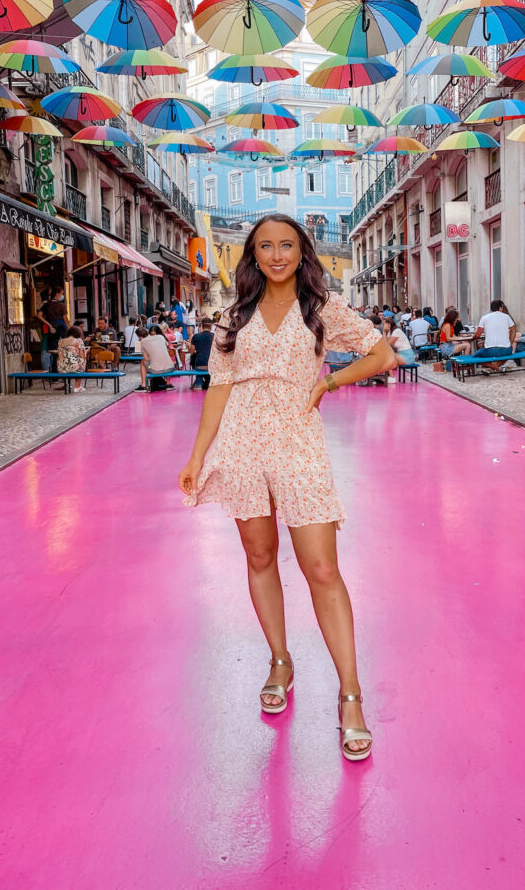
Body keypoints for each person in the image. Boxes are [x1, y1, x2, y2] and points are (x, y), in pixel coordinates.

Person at [179, 213, 396, 762]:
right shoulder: (233, 315)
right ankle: (280, 659)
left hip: (298, 442)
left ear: (303, 252)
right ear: (252, 255)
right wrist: (198, 455)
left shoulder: (321, 310)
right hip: (243, 443)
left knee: (322, 568)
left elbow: (382, 353)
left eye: (287, 245)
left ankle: (351, 695)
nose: (277, 255)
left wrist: (328, 381)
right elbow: (218, 388)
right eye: (266, 246)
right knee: (259, 556)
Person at [473, 299, 516, 373]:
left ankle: (493, 366)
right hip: (506, 350)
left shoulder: (484, 317)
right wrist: (510, 343)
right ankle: (496, 367)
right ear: (500, 308)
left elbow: (477, 335)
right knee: (507, 353)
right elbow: (514, 330)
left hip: (491, 351)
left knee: (475, 356)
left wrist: (473, 337)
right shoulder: (507, 317)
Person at [37, 287, 69, 370]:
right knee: (61, 350)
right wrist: (70, 329)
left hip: (50, 330)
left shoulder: (46, 305)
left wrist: (49, 325)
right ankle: (59, 370)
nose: (62, 295)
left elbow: (39, 316)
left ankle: (48, 371)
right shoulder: (62, 306)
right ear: (57, 294)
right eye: (61, 293)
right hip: (61, 329)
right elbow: (65, 320)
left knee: (49, 349)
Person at [137, 325, 175, 391]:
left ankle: (143, 385)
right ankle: (168, 383)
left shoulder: (143, 341)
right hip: (170, 367)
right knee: (165, 358)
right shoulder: (161, 337)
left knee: (143, 362)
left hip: (155, 370)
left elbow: (146, 358)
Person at [56, 325, 88, 392]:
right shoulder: (78, 341)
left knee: (73, 361)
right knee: (83, 360)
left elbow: (60, 354)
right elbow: (82, 357)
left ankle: (67, 384)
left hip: (61, 368)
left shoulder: (60, 341)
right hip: (74, 368)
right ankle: (77, 386)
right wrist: (86, 352)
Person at [188, 318, 214, 390]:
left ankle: (198, 384)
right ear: (211, 326)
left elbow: (191, 351)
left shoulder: (196, 336)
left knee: (198, 366)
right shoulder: (214, 336)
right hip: (211, 366)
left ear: (201, 326)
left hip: (199, 365)